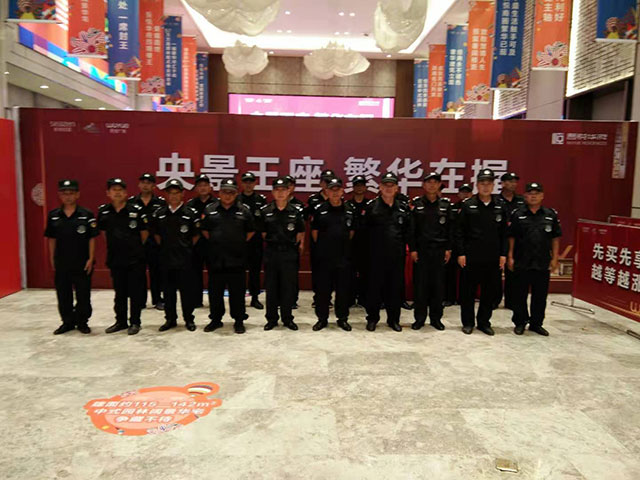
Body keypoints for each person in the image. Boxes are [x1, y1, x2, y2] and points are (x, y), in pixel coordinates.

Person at [455, 169, 508, 335]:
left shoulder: (500, 205)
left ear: (493, 185)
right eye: (482, 183)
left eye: (489, 183)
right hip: (471, 256)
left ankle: (484, 322)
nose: (485, 187)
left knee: (489, 292)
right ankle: (468, 322)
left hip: (492, 256)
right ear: (477, 185)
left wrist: (503, 254)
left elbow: (504, 233)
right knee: (468, 292)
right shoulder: (468, 205)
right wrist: (461, 253)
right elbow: (459, 232)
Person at [201, 179, 255, 334]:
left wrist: (237, 243)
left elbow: (250, 231)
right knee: (215, 292)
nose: (228, 195)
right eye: (225, 192)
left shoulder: (244, 210)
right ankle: (216, 320)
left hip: (237, 258)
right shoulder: (210, 209)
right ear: (219, 193)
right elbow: (205, 230)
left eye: (231, 192)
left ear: (236, 194)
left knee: (237, 293)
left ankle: (239, 320)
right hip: (216, 258)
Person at [44, 179, 98, 335]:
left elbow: (92, 238)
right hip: (62, 261)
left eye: (71, 193)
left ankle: (82, 322)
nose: (68, 196)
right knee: (63, 294)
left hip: (82, 262)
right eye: (64, 193)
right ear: (60, 195)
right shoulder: (54, 215)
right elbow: (51, 239)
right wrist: (52, 259)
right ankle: (67, 322)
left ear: (77, 195)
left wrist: (90, 258)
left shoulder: (86, 214)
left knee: (83, 294)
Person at [507, 182, 561, 336]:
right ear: (525, 196)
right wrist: (510, 256)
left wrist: (555, 258)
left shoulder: (550, 214)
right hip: (522, 259)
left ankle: (536, 324)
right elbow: (511, 237)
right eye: (530, 193)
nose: (533, 196)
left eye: (537, 193)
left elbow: (555, 238)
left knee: (540, 295)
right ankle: (520, 322)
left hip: (542, 261)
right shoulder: (518, 214)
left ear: (542, 196)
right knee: (519, 294)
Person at [98, 178, 148, 335]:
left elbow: (144, 234)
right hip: (115, 258)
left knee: (135, 292)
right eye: (114, 190)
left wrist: (133, 248)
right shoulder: (104, 212)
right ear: (108, 193)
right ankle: (120, 321)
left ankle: (135, 322)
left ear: (126, 193)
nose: (117, 193)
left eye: (120, 190)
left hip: (135, 259)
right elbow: (104, 234)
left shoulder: (136, 210)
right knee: (119, 293)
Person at [362, 172, 411, 332]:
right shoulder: (371, 207)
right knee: (374, 289)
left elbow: (408, 232)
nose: (389, 188)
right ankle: (372, 318)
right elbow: (364, 233)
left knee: (394, 289)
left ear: (397, 188)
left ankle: (393, 320)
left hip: (396, 256)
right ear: (380, 187)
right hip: (375, 255)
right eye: (386, 185)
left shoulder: (403, 207)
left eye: (392, 185)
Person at [150, 179, 201, 332]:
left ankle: (189, 319)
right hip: (166, 258)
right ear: (166, 194)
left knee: (187, 292)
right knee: (168, 292)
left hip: (185, 259)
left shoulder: (190, 213)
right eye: (170, 193)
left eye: (176, 193)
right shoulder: (159, 214)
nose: (173, 196)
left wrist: (185, 248)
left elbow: (196, 235)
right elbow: (156, 235)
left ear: (182, 193)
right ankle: (170, 319)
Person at [259, 177, 306, 331]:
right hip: (272, 253)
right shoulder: (265, 211)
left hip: (289, 253)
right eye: (277, 190)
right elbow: (263, 233)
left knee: (288, 287)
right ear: (273, 192)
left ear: (288, 191)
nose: (280, 193)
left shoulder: (296, 211)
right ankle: (271, 319)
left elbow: (300, 233)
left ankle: (287, 318)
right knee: (271, 287)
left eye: (283, 190)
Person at [409, 173, 453, 331]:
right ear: (424, 185)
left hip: (439, 251)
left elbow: (450, 229)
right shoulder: (416, 204)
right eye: (429, 182)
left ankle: (436, 319)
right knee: (420, 286)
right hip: (421, 251)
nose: (432, 185)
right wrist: (413, 249)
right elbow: (412, 229)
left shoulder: (446, 205)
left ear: (440, 185)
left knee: (438, 287)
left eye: (435, 182)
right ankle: (419, 319)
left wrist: (448, 248)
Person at [311, 177, 355, 331]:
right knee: (323, 291)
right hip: (324, 257)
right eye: (332, 190)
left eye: (338, 190)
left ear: (342, 191)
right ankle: (322, 319)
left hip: (343, 257)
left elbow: (351, 232)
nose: (335, 193)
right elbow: (315, 233)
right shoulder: (320, 209)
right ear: (327, 191)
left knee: (343, 290)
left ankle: (342, 318)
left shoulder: (350, 209)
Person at [128, 173, 166, 310]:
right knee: (138, 273)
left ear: (153, 186)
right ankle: (140, 300)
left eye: (148, 183)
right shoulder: (131, 202)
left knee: (157, 272)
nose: (145, 185)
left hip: (155, 242)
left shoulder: (160, 203)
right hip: (137, 243)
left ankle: (158, 299)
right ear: (139, 185)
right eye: (143, 182)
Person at [496, 172, 526, 310]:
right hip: (498, 239)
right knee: (496, 270)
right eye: (509, 181)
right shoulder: (496, 200)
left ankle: (512, 301)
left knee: (514, 270)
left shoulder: (521, 201)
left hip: (517, 240)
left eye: (515, 181)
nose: (513, 184)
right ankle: (494, 299)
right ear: (502, 183)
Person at [186, 174, 216, 308]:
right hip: (195, 244)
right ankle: (196, 300)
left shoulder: (217, 204)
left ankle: (214, 301)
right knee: (194, 273)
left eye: (205, 185)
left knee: (214, 274)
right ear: (196, 188)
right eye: (200, 185)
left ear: (210, 187)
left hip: (212, 244)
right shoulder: (190, 205)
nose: (203, 188)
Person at [239, 172, 267, 310]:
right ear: (242, 183)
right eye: (246, 182)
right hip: (239, 241)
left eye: (251, 182)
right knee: (239, 271)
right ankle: (239, 298)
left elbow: (264, 220)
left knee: (255, 271)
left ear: (255, 183)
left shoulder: (261, 200)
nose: (248, 184)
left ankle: (255, 298)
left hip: (256, 241)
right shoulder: (236, 199)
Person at [444, 183, 473, 306]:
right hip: (454, 244)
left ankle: (463, 298)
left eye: (468, 192)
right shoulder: (453, 207)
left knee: (466, 274)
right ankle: (449, 298)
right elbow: (450, 227)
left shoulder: (473, 207)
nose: (465, 194)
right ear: (458, 194)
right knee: (450, 273)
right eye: (463, 192)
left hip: (468, 245)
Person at [345, 175, 370, 307]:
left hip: (366, 244)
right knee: (349, 272)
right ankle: (350, 298)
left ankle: (363, 298)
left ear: (365, 187)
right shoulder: (347, 205)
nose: (359, 188)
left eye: (362, 185)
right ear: (353, 187)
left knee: (365, 271)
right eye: (357, 185)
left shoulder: (370, 205)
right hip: (350, 244)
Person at [284, 175, 305, 308]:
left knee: (292, 274)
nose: (288, 187)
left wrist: (301, 243)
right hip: (278, 245)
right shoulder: (273, 205)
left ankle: (292, 300)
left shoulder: (299, 205)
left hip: (293, 245)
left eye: (291, 184)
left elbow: (302, 228)